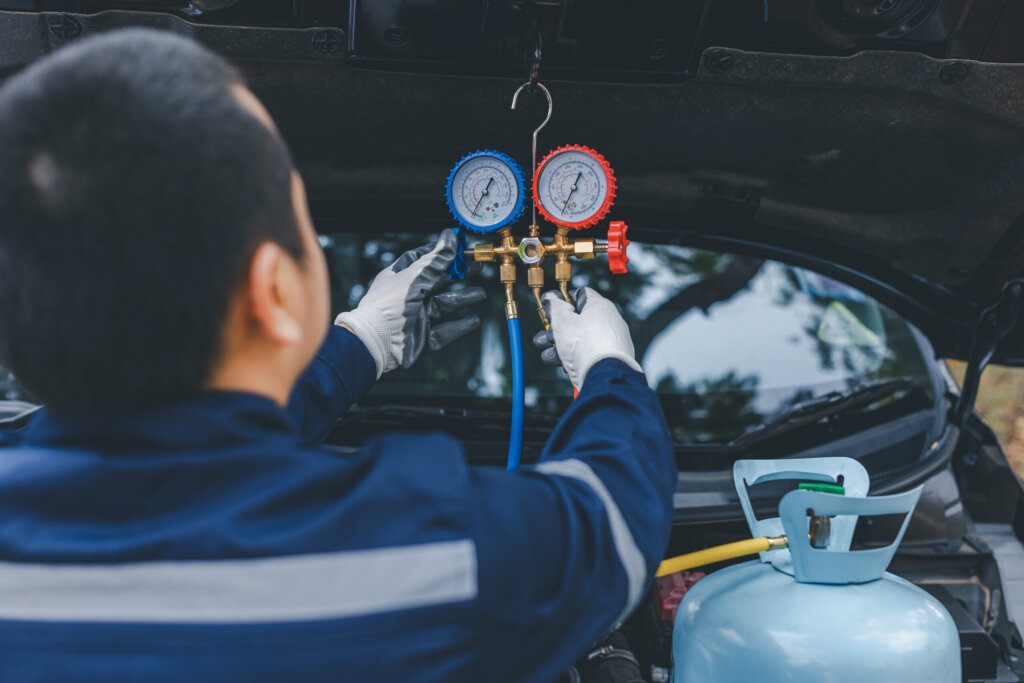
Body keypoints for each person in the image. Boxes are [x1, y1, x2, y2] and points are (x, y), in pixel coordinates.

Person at [0, 29, 676, 682]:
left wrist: (359, 347)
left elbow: (161, 457)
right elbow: (609, 523)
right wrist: (609, 372)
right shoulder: (408, 548)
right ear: (272, 288)